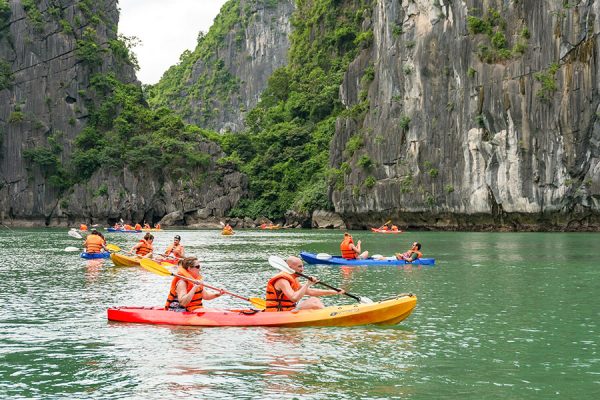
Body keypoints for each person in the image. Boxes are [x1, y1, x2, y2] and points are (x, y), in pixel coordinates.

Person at [265, 256, 344, 312]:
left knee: (314, 300)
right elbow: (294, 298)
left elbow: (310, 292)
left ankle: (326, 314)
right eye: (300, 267)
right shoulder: (282, 280)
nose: (302, 269)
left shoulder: (293, 278)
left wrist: (334, 292)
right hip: (279, 312)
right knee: (314, 303)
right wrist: (307, 283)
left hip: (289, 309)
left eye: (302, 266)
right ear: (290, 267)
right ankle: (328, 315)